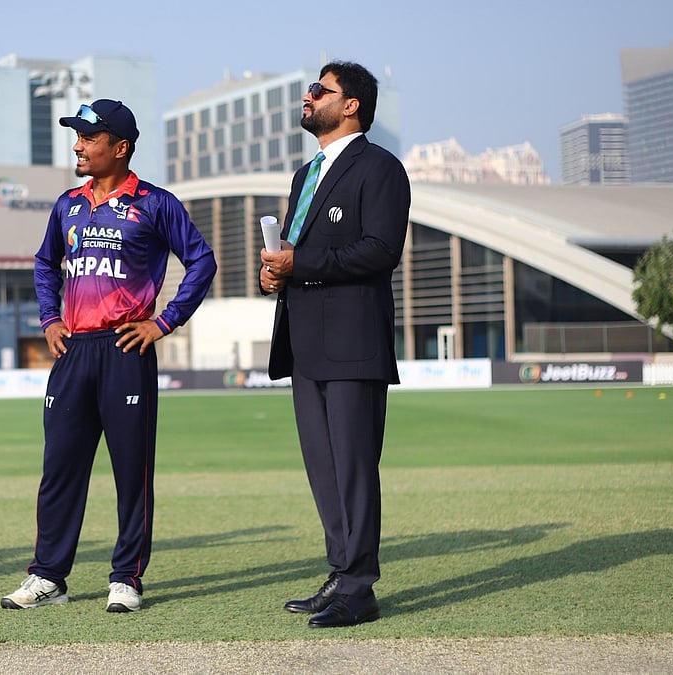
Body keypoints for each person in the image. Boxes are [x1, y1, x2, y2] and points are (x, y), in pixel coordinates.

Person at [2, 99, 216, 613]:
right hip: (74, 351)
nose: (77, 145)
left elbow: (201, 262)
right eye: (76, 136)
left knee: (131, 471)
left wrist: (163, 322)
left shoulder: (155, 203)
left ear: (119, 148)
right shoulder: (67, 204)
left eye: (88, 137)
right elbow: (44, 263)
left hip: (126, 349)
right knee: (60, 469)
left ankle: (127, 578)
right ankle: (48, 576)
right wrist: (49, 319)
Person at [259, 62, 411, 628]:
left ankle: (360, 587)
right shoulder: (305, 175)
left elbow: (380, 250)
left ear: (350, 105)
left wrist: (303, 262)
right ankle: (340, 572)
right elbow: (298, 252)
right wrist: (275, 274)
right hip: (304, 343)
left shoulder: (381, 169)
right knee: (324, 470)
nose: (308, 96)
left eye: (319, 90)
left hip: (353, 342)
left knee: (352, 468)